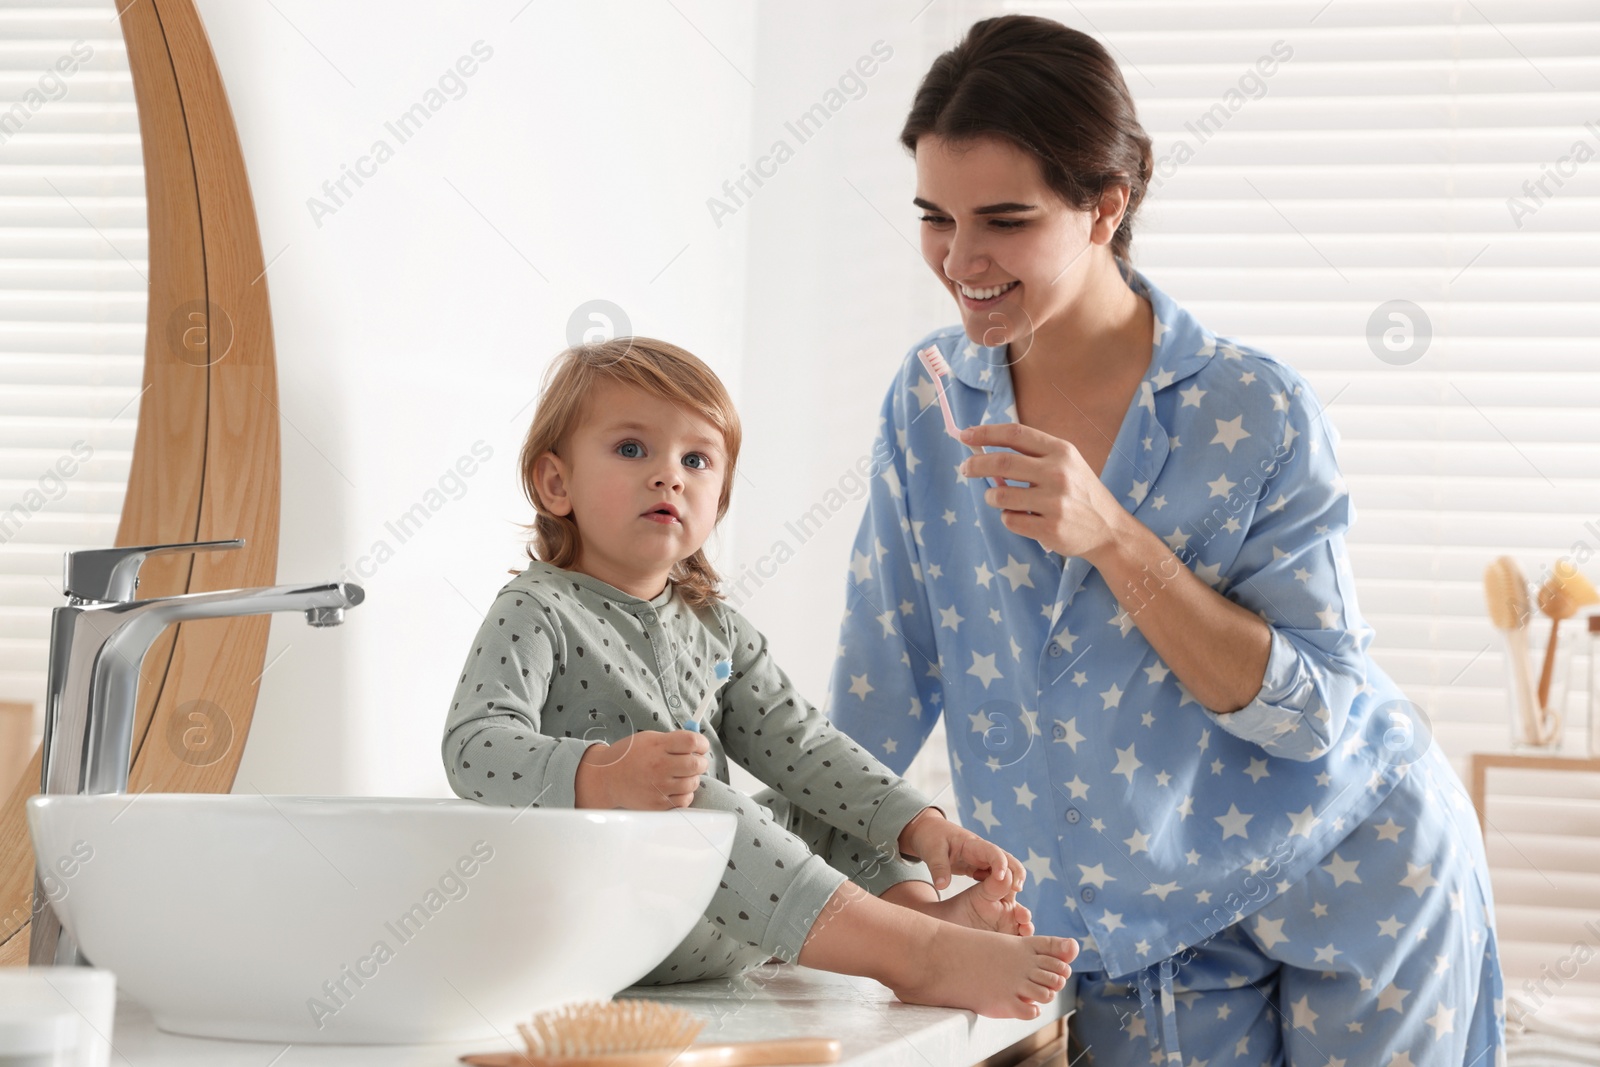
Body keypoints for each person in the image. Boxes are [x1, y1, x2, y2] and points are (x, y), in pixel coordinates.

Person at [827, 14, 1504, 1065]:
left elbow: (1318, 714)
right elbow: (870, 699)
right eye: (935, 217)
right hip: (1117, 926)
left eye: (1003, 218)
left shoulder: (1256, 408)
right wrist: (895, 910)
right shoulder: (927, 402)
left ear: (1108, 204)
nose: (960, 260)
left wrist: (1110, 536)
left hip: (1358, 873)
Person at [440, 335, 1080, 1019]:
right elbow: (473, 746)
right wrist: (599, 773)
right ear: (555, 483)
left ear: (717, 501)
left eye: (696, 459)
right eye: (632, 449)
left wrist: (920, 825)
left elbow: (803, 747)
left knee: (828, 798)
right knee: (691, 806)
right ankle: (912, 952)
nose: (669, 476)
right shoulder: (538, 609)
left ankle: (925, 923)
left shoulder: (716, 624)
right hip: (616, 924)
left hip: (731, 919)